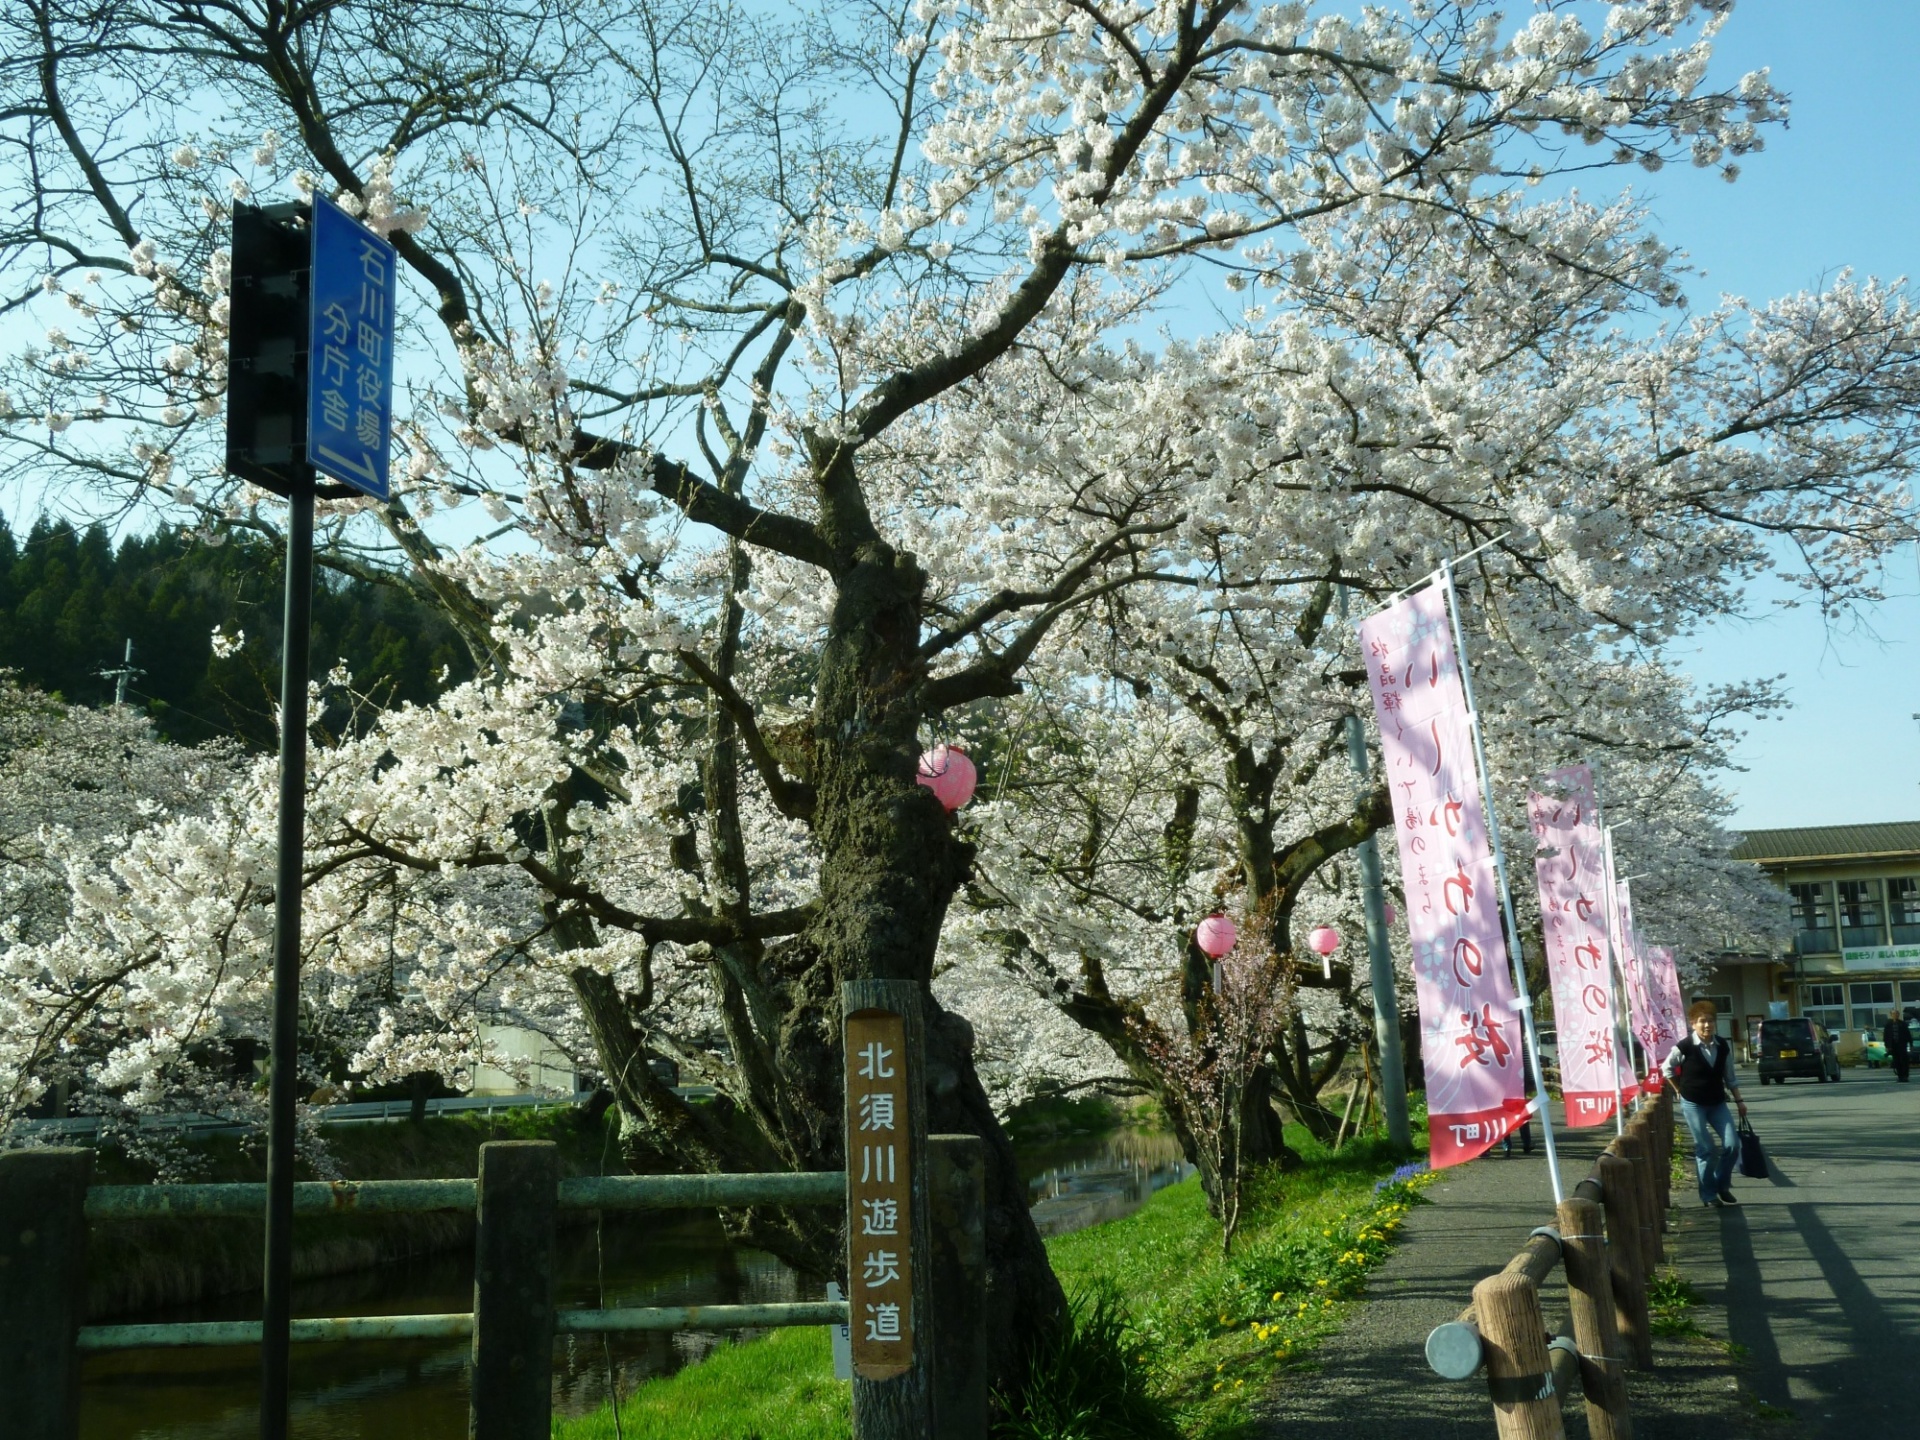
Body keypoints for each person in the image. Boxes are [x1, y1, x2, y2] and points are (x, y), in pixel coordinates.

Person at [1663, 1001, 1747, 1208]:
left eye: (1710, 1021)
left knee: (1732, 1144)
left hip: (1717, 1102)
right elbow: (1667, 1068)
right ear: (1693, 1024)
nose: (1707, 1025)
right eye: (1702, 1021)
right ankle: (1708, 1195)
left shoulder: (1722, 1045)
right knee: (1706, 1148)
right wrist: (1678, 1089)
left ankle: (1722, 1184)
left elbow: (1730, 1076)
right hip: (1693, 1103)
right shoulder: (1684, 1046)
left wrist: (1739, 1101)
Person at [1885, 1009, 1913, 1084]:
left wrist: (1911, 1044)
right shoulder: (1888, 1024)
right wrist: (1887, 1046)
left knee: (1904, 1061)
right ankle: (1900, 1076)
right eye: (1894, 1014)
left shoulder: (1902, 1024)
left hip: (1902, 1045)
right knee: (1897, 1062)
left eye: (1897, 1014)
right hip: (1893, 1046)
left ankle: (1905, 1076)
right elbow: (1886, 1036)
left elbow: (1908, 1034)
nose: (1895, 1015)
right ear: (1891, 1015)